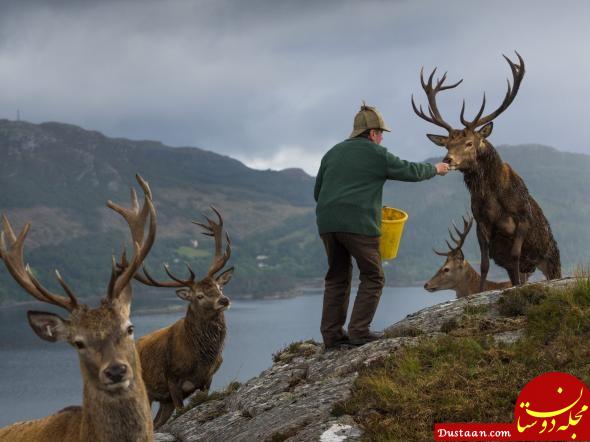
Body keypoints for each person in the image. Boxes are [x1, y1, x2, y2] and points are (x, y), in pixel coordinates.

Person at [314, 103, 450, 349]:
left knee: (337, 277)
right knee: (373, 276)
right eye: (381, 134)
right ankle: (359, 332)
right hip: (358, 224)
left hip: (327, 223)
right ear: (373, 133)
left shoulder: (332, 153)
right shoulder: (376, 154)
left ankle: (332, 337)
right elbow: (410, 170)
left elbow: (318, 192)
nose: (381, 138)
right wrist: (436, 169)